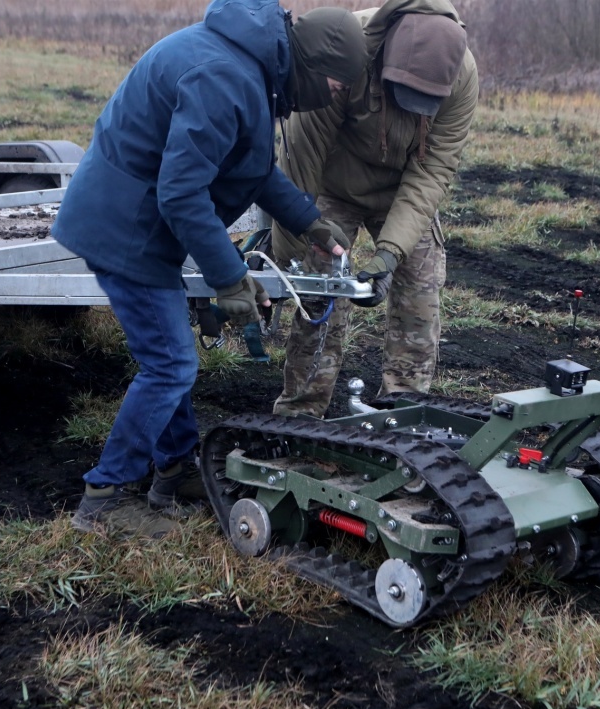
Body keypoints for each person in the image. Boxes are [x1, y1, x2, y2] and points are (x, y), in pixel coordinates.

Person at [52, 0, 366, 534]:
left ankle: (175, 470)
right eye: (335, 87)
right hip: (124, 229)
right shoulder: (226, 76)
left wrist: (310, 222)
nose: (333, 97)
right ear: (313, 65)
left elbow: (253, 168)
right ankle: (105, 497)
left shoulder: (251, 70)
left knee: (167, 354)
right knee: (171, 364)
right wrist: (228, 277)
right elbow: (180, 194)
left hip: (140, 225)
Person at [270, 0, 477, 419]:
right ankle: (300, 413)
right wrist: (288, 260)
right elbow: (303, 160)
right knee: (322, 291)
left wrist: (390, 252)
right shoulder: (346, 49)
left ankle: (404, 414)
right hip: (334, 184)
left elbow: (432, 171)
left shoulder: (461, 76)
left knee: (420, 294)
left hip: (404, 190)